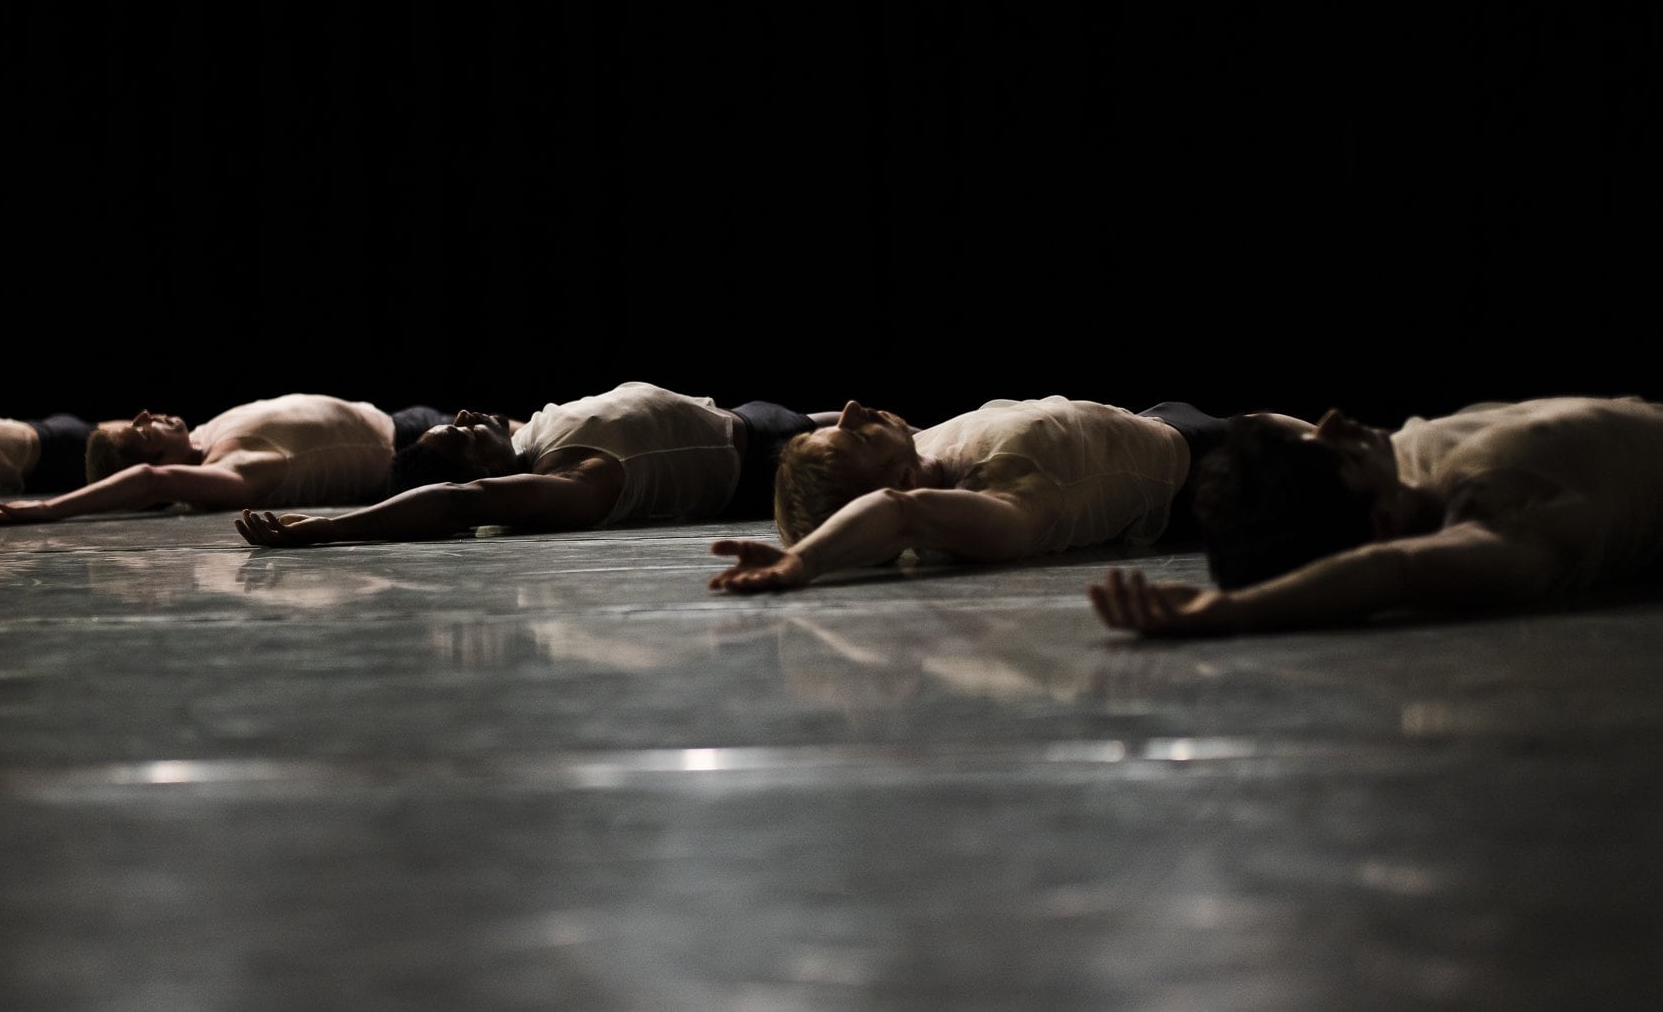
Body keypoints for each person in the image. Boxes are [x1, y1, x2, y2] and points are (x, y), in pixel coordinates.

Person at [1087, 395, 1663, 636]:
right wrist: (1233, 608)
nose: (1335, 418)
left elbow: (1272, 431)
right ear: (1383, 522)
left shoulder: (1409, 464)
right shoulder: (1498, 506)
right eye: (1341, 452)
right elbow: (1399, 570)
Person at [706, 396, 1315, 594]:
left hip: (1156, 422)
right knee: (1358, 454)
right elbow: (901, 518)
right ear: (898, 485)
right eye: (857, 435)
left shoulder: (922, 455)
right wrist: (802, 562)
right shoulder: (1001, 508)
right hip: (1209, 468)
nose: (851, 409)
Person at [232, 380, 840, 546]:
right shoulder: (570, 482)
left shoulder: (531, 438)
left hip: (748, 416)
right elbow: (456, 504)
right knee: (922, 443)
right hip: (763, 459)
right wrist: (333, 527)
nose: (469, 416)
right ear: (485, 476)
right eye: (464, 436)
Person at [0, 395, 449, 525]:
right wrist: (49, 509)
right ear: (152, 452)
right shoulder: (231, 470)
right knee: (526, 441)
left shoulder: (203, 436)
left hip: (400, 418)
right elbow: (151, 482)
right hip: (414, 449)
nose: (145, 413)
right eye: (140, 427)